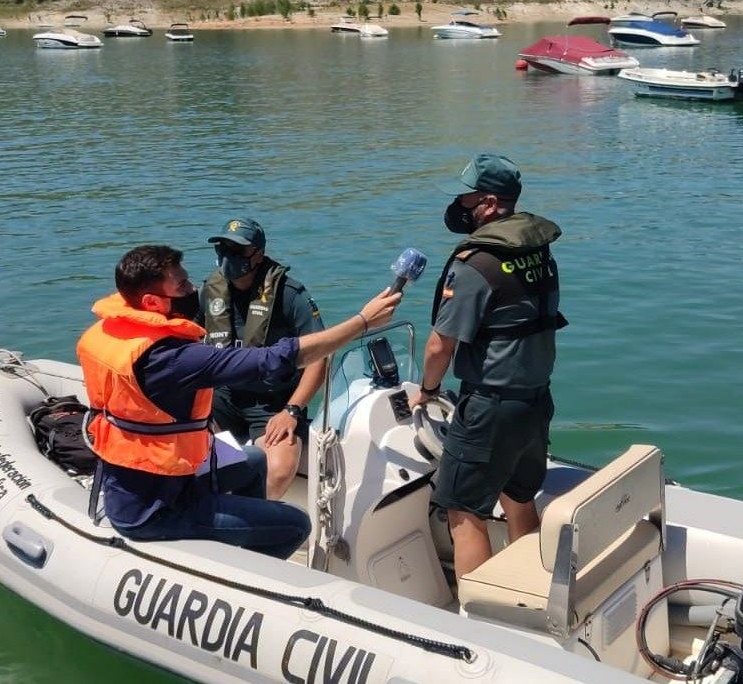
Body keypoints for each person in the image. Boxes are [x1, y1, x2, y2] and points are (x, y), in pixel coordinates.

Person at [77, 244, 402, 559]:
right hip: (155, 508)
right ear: (152, 301)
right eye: (183, 285)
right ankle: (246, 576)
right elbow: (274, 359)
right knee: (295, 524)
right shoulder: (172, 359)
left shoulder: (114, 329)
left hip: (144, 477)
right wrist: (362, 322)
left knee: (254, 462)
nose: (193, 288)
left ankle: (238, 539)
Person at [410, 153, 565, 577]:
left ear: (492, 204)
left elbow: (440, 344)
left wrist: (427, 390)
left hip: (491, 407)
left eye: (468, 199)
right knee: (518, 500)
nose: (461, 206)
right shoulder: (536, 249)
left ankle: (476, 620)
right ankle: (530, 591)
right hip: (534, 402)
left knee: (462, 513)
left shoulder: (477, 263)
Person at [201, 218, 328, 501]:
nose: (228, 256)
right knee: (175, 431)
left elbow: (320, 357)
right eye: (223, 248)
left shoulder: (289, 294)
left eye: (238, 250)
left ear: (258, 253)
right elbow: (187, 342)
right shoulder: (210, 291)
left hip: (273, 402)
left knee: (280, 468)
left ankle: (249, 519)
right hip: (224, 394)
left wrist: (292, 411)